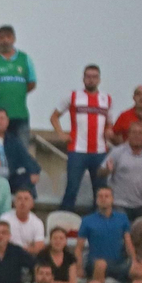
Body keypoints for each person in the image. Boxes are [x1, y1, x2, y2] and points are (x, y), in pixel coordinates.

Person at [49, 64, 113, 212]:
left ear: (99, 80)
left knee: (100, 190)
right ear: (83, 78)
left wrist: (109, 130)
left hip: (100, 151)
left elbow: (110, 123)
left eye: (94, 77)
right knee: (72, 189)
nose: (91, 80)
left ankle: (98, 222)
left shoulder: (107, 99)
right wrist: (61, 134)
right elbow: (54, 117)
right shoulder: (73, 96)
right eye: (88, 76)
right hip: (77, 150)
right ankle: (63, 222)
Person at [101, 119, 142, 220]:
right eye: (134, 132)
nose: (137, 135)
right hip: (120, 204)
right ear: (128, 135)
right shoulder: (117, 152)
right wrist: (107, 170)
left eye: (140, 133)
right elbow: (100, 172)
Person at [76, 183, 134, 283]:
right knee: (101, 264)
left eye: (106, 196)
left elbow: (128, 243)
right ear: (96, 200)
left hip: (117, 263)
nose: (103, 199)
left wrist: (134, 261)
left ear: (112, 199)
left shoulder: (122, 218)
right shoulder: (87, 220)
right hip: (95, 263)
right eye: (100, 196)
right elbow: (79, 248)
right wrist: (79, 267)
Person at [0, 189, 47, 256]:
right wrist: (27, 248)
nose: (22, 202)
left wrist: (23, 250)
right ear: (14, 203)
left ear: (32, 204)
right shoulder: (5, 219)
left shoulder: (37, 222)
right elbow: (0, 243)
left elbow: (39, 247)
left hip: (28, 256)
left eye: (26, 199)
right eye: (19, 199)